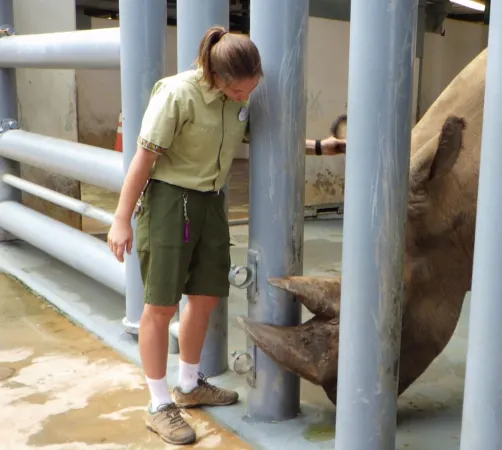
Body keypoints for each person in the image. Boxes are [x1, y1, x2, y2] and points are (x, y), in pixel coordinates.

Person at [106, 26, 345, 446]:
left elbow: (264, 138)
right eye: (238, 91)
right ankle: (159, 405)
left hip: (211, 202)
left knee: (204, 297)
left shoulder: (236, 98)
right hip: (169, 202)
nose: (243, 97)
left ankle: (188, 385)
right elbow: (143, 158)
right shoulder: (177, 95)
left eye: (250, 90)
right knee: (160, 306)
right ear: (214, 74)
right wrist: (121, 219)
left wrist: (320, 147)